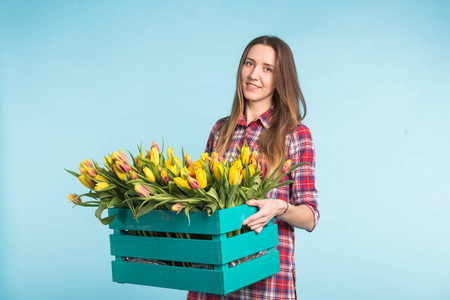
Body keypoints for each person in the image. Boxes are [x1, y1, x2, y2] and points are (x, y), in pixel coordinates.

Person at [187, 36, 319, 300]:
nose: (254, 74)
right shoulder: (220, 130)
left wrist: (280, 207)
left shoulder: (294, 134)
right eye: (249, 63)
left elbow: (311, 216)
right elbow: (203, 199)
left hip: (266, 283)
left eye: (267, 68)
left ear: (281, 78)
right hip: (214, 277)